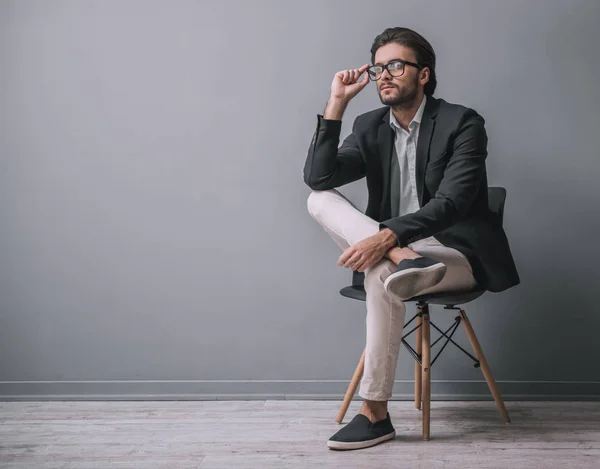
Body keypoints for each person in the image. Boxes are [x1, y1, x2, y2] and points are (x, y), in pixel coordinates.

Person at [303, 26, 520, 451]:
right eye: (378, 67)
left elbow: (453, 202)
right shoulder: (369, 126)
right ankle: (401, 257)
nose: (384, 75)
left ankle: (374, 414)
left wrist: (385, 237)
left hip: (454, 254)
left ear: (423, 74)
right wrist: (336, 105)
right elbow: (319, 176)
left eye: (396, 65)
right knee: (319, 200)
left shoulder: (463, 123)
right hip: (404, 256)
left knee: (380, 272)